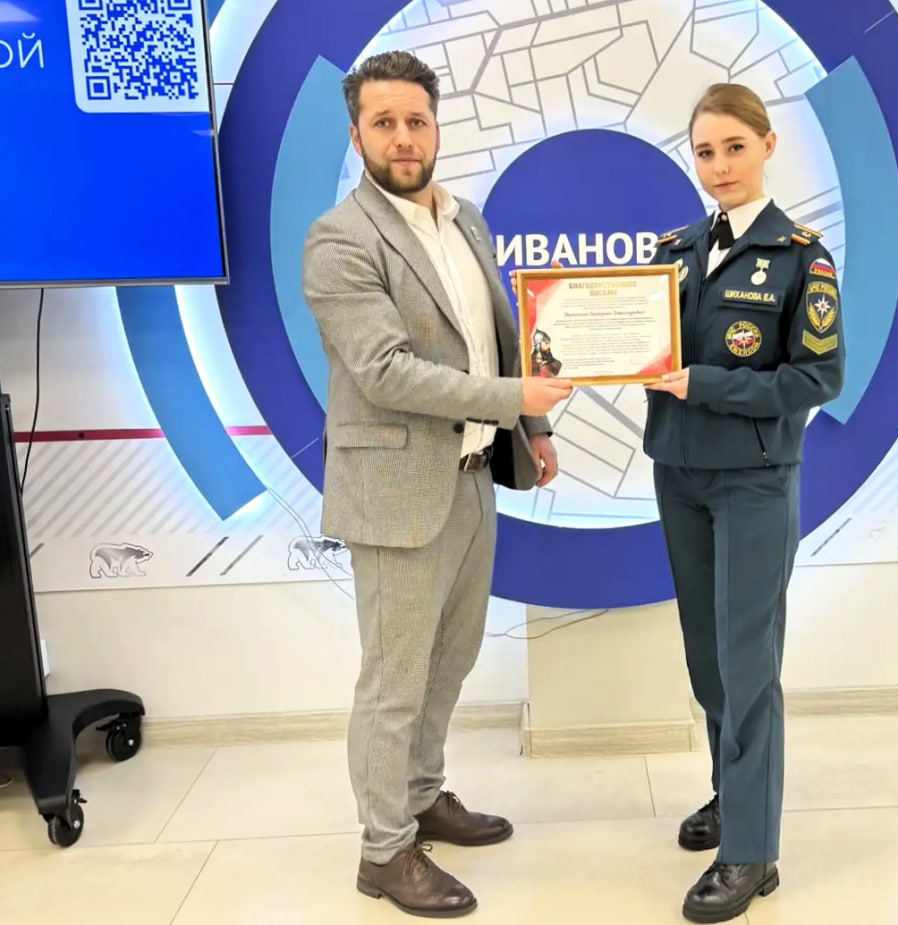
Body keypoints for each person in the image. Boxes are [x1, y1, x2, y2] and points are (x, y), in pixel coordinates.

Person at [301, 50, 573, 918]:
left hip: (472, 476)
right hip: (396, 493)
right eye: (383, 122)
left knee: (449, 661)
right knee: (394, 683)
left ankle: (421, 797)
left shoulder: (467, 219)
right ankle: (384, 851)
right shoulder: (339, 239)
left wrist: (529, 427)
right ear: (356, 136)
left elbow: (494, 336)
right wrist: (513, 398)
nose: (403, 137)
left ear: (436, 127)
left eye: (415, 120)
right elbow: (386, 371)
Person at [643, 82, 846, 923]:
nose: (719, 165)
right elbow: (636, 344)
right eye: (704, 151)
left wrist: (709, 385)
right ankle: (735, 794)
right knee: (707, 657)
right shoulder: (675, 251)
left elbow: (818, 377)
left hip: (755, 480)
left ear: (767, 146)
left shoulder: (802, 258)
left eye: (734, 146)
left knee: (748, 661)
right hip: (679, 474)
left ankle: (753, 851)